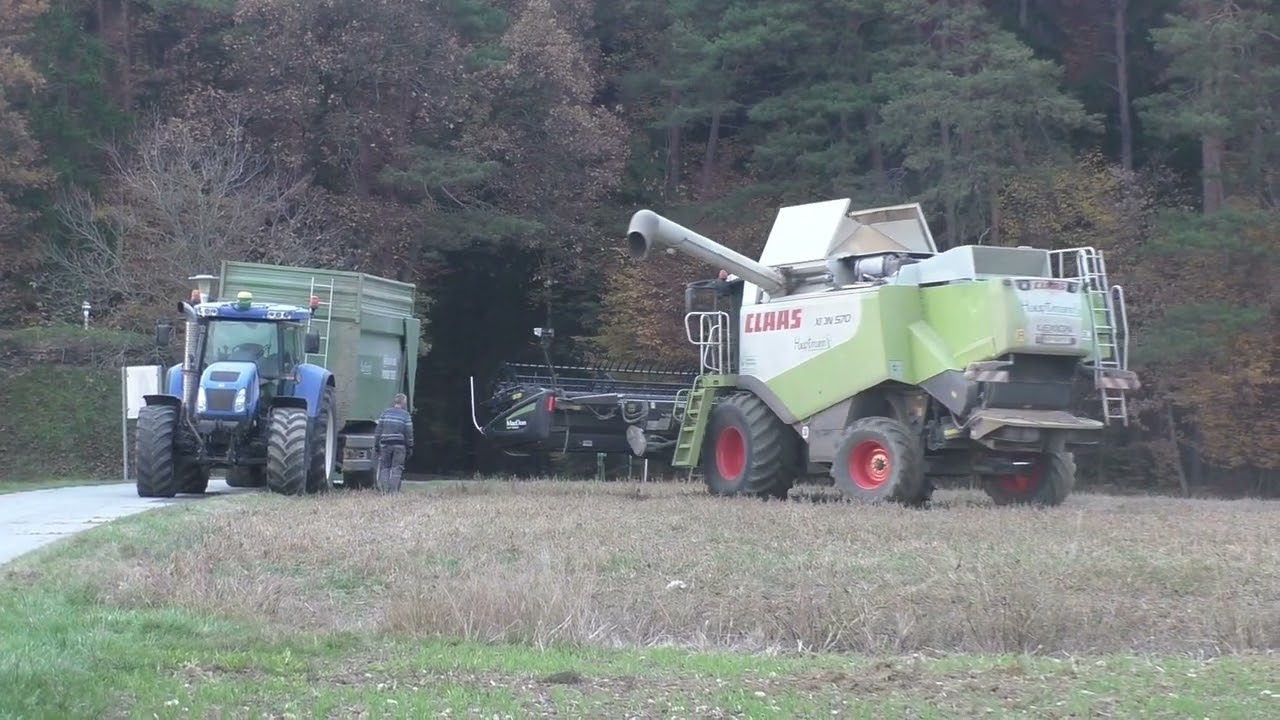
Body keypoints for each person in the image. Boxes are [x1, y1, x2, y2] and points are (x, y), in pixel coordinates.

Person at [373, 393, 414, 493]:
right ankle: (393, 492)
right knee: (397, 468)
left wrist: (376, 444)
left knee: (384, 468)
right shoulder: (406, 415)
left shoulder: (385, 413)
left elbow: (378, 430)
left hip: (385, 444)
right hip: (399, 445)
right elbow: (409, 433)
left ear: (395, 402)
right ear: (403, 403)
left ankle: (385, 490)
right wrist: (410, 446)